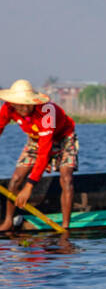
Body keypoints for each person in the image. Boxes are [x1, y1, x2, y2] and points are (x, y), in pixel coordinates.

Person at [0, 79, 78, 233]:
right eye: (20, 104)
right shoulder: (8, 108)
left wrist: (29, 186)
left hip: (63, 138)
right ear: (13, 103)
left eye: (27, 104)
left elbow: (44, 153)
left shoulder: (46, 112)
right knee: (16, 179)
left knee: (66, 178)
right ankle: (8, 221)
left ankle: (65, 226)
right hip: (35, 139)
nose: (24, 108)